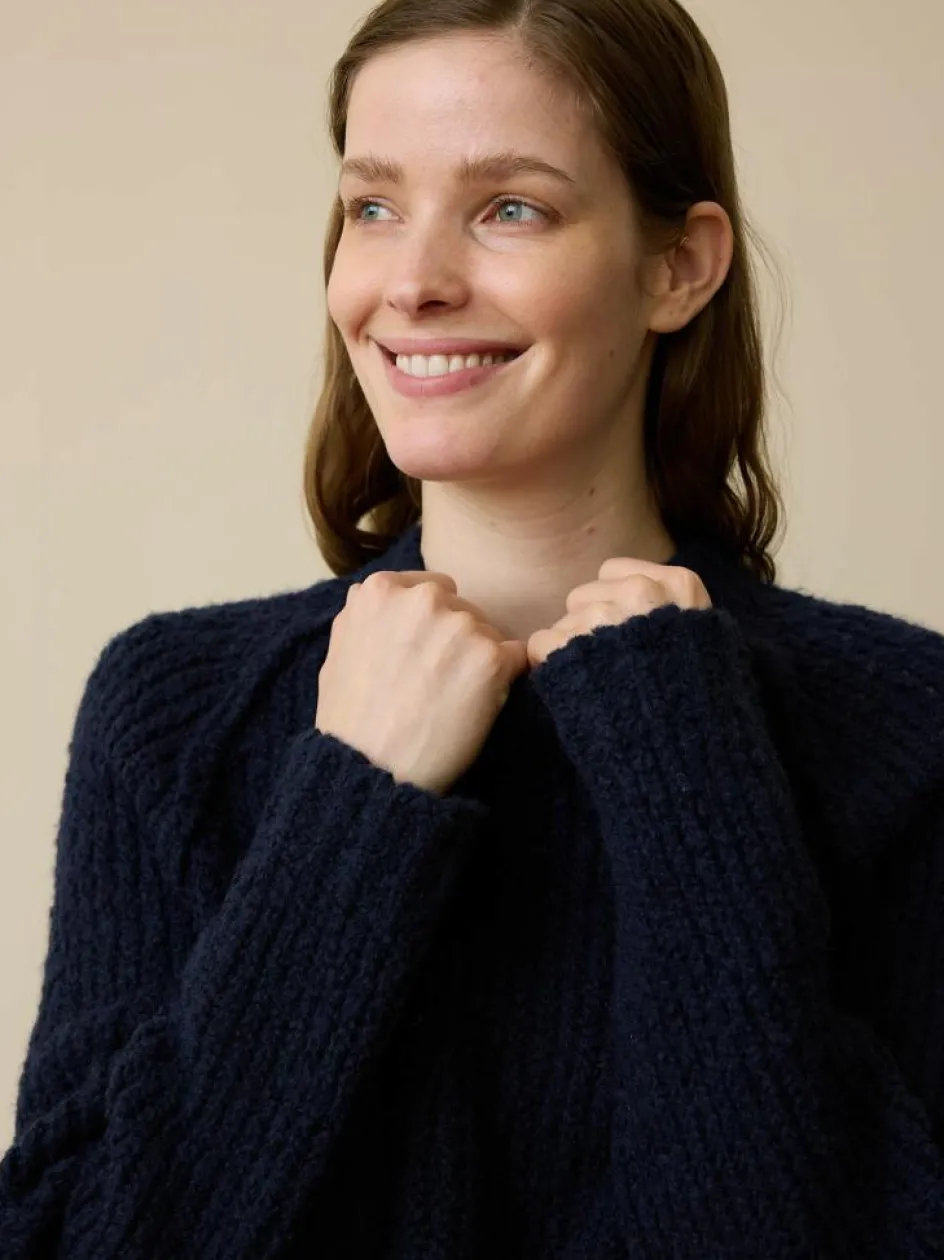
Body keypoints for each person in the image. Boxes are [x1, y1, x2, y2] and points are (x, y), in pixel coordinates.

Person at [2, 0, 943, 1255]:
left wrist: (683, 767)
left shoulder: (899, 725)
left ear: (677, 266)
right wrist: (350, 806)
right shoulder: (176, 710)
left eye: (509, 208)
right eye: (372, 206)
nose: (412, 282)